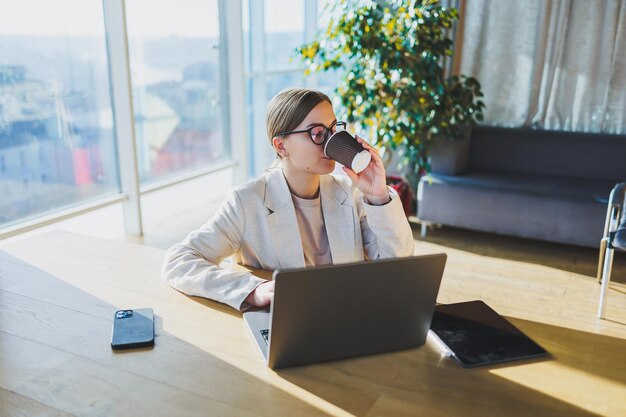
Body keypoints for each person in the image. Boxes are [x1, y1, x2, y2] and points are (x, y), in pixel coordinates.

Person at [161, 87, 415, 311]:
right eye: (317, 133)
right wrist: (252, 289)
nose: (331, 142)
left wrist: (378, 195)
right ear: (281, 146)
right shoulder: (247, 202)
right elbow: (179, 260)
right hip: (289, 323)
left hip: (348, 314)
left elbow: (398, 270)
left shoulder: (351, 192)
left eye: (333, 130)